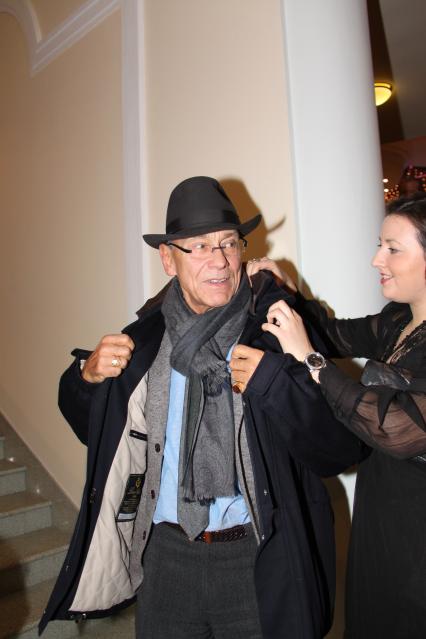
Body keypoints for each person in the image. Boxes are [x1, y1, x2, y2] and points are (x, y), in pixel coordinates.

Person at [39, 176, 362, 639]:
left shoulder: (275, 333)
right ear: (167, 258)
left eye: (228, 243)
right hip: (166, 558)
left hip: (257, 557)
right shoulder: (145, 342)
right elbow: (92, 428)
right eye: (200, 246)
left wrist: (275, 384)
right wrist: (85, 378)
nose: (220, 260)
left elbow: (338, 451)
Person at [230, 193, 426, 639]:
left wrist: (310, 360)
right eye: (379, 245)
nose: (377, 259)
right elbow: (334, 335)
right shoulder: (399, 321)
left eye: (393, 249)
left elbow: (393, 426)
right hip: (382, 511)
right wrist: (290, 294)